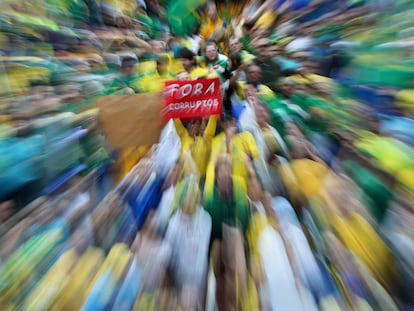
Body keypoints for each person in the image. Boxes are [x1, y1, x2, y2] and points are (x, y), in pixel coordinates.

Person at [164, 176, 212, 310]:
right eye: (187, 197)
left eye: (193, 196)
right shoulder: (174, 224)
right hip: (181, 276)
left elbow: (204, 249)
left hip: (200, 273)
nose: (190, 201)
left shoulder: (205, 219)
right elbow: (170, 254)